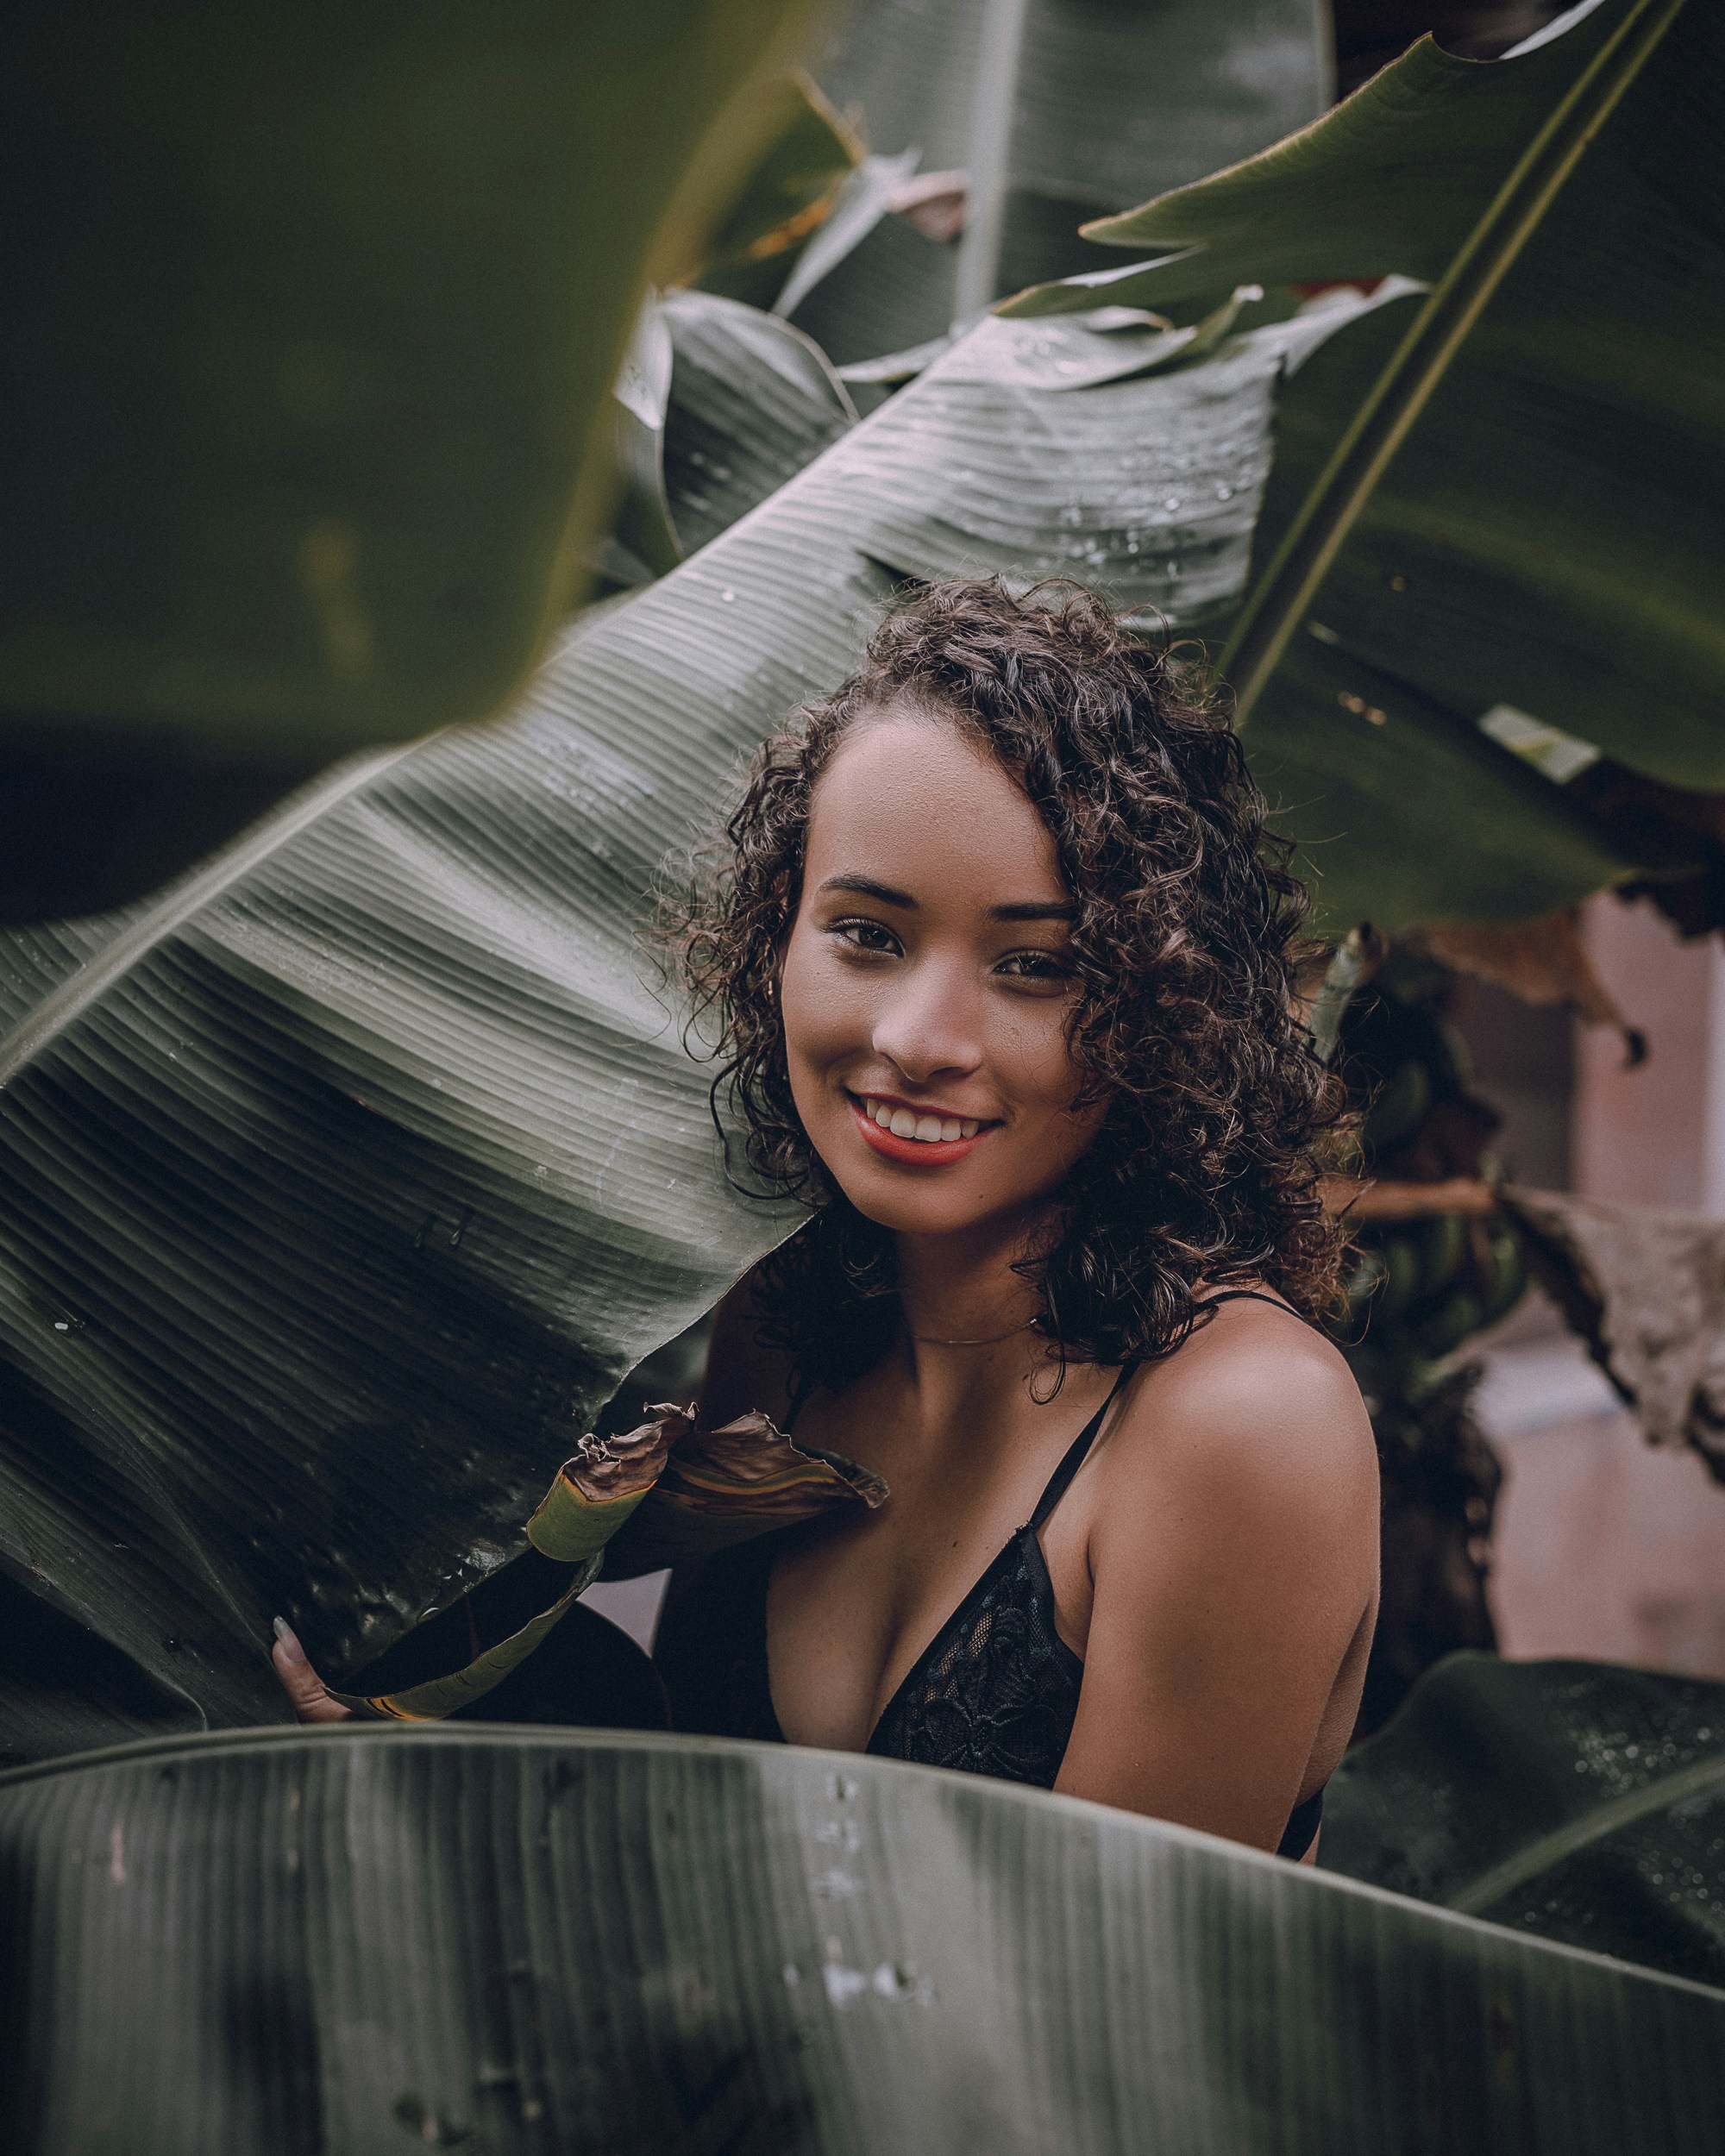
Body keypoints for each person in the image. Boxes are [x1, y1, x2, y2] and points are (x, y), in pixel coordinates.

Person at [277, 579, 1378, 1863]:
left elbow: (1104, 2037)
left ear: (1163, 1001)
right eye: (867, 935)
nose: (916, 1042)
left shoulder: (1238, 1426)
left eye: (1036, 965)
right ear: (774, 945)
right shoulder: (791, 1324)